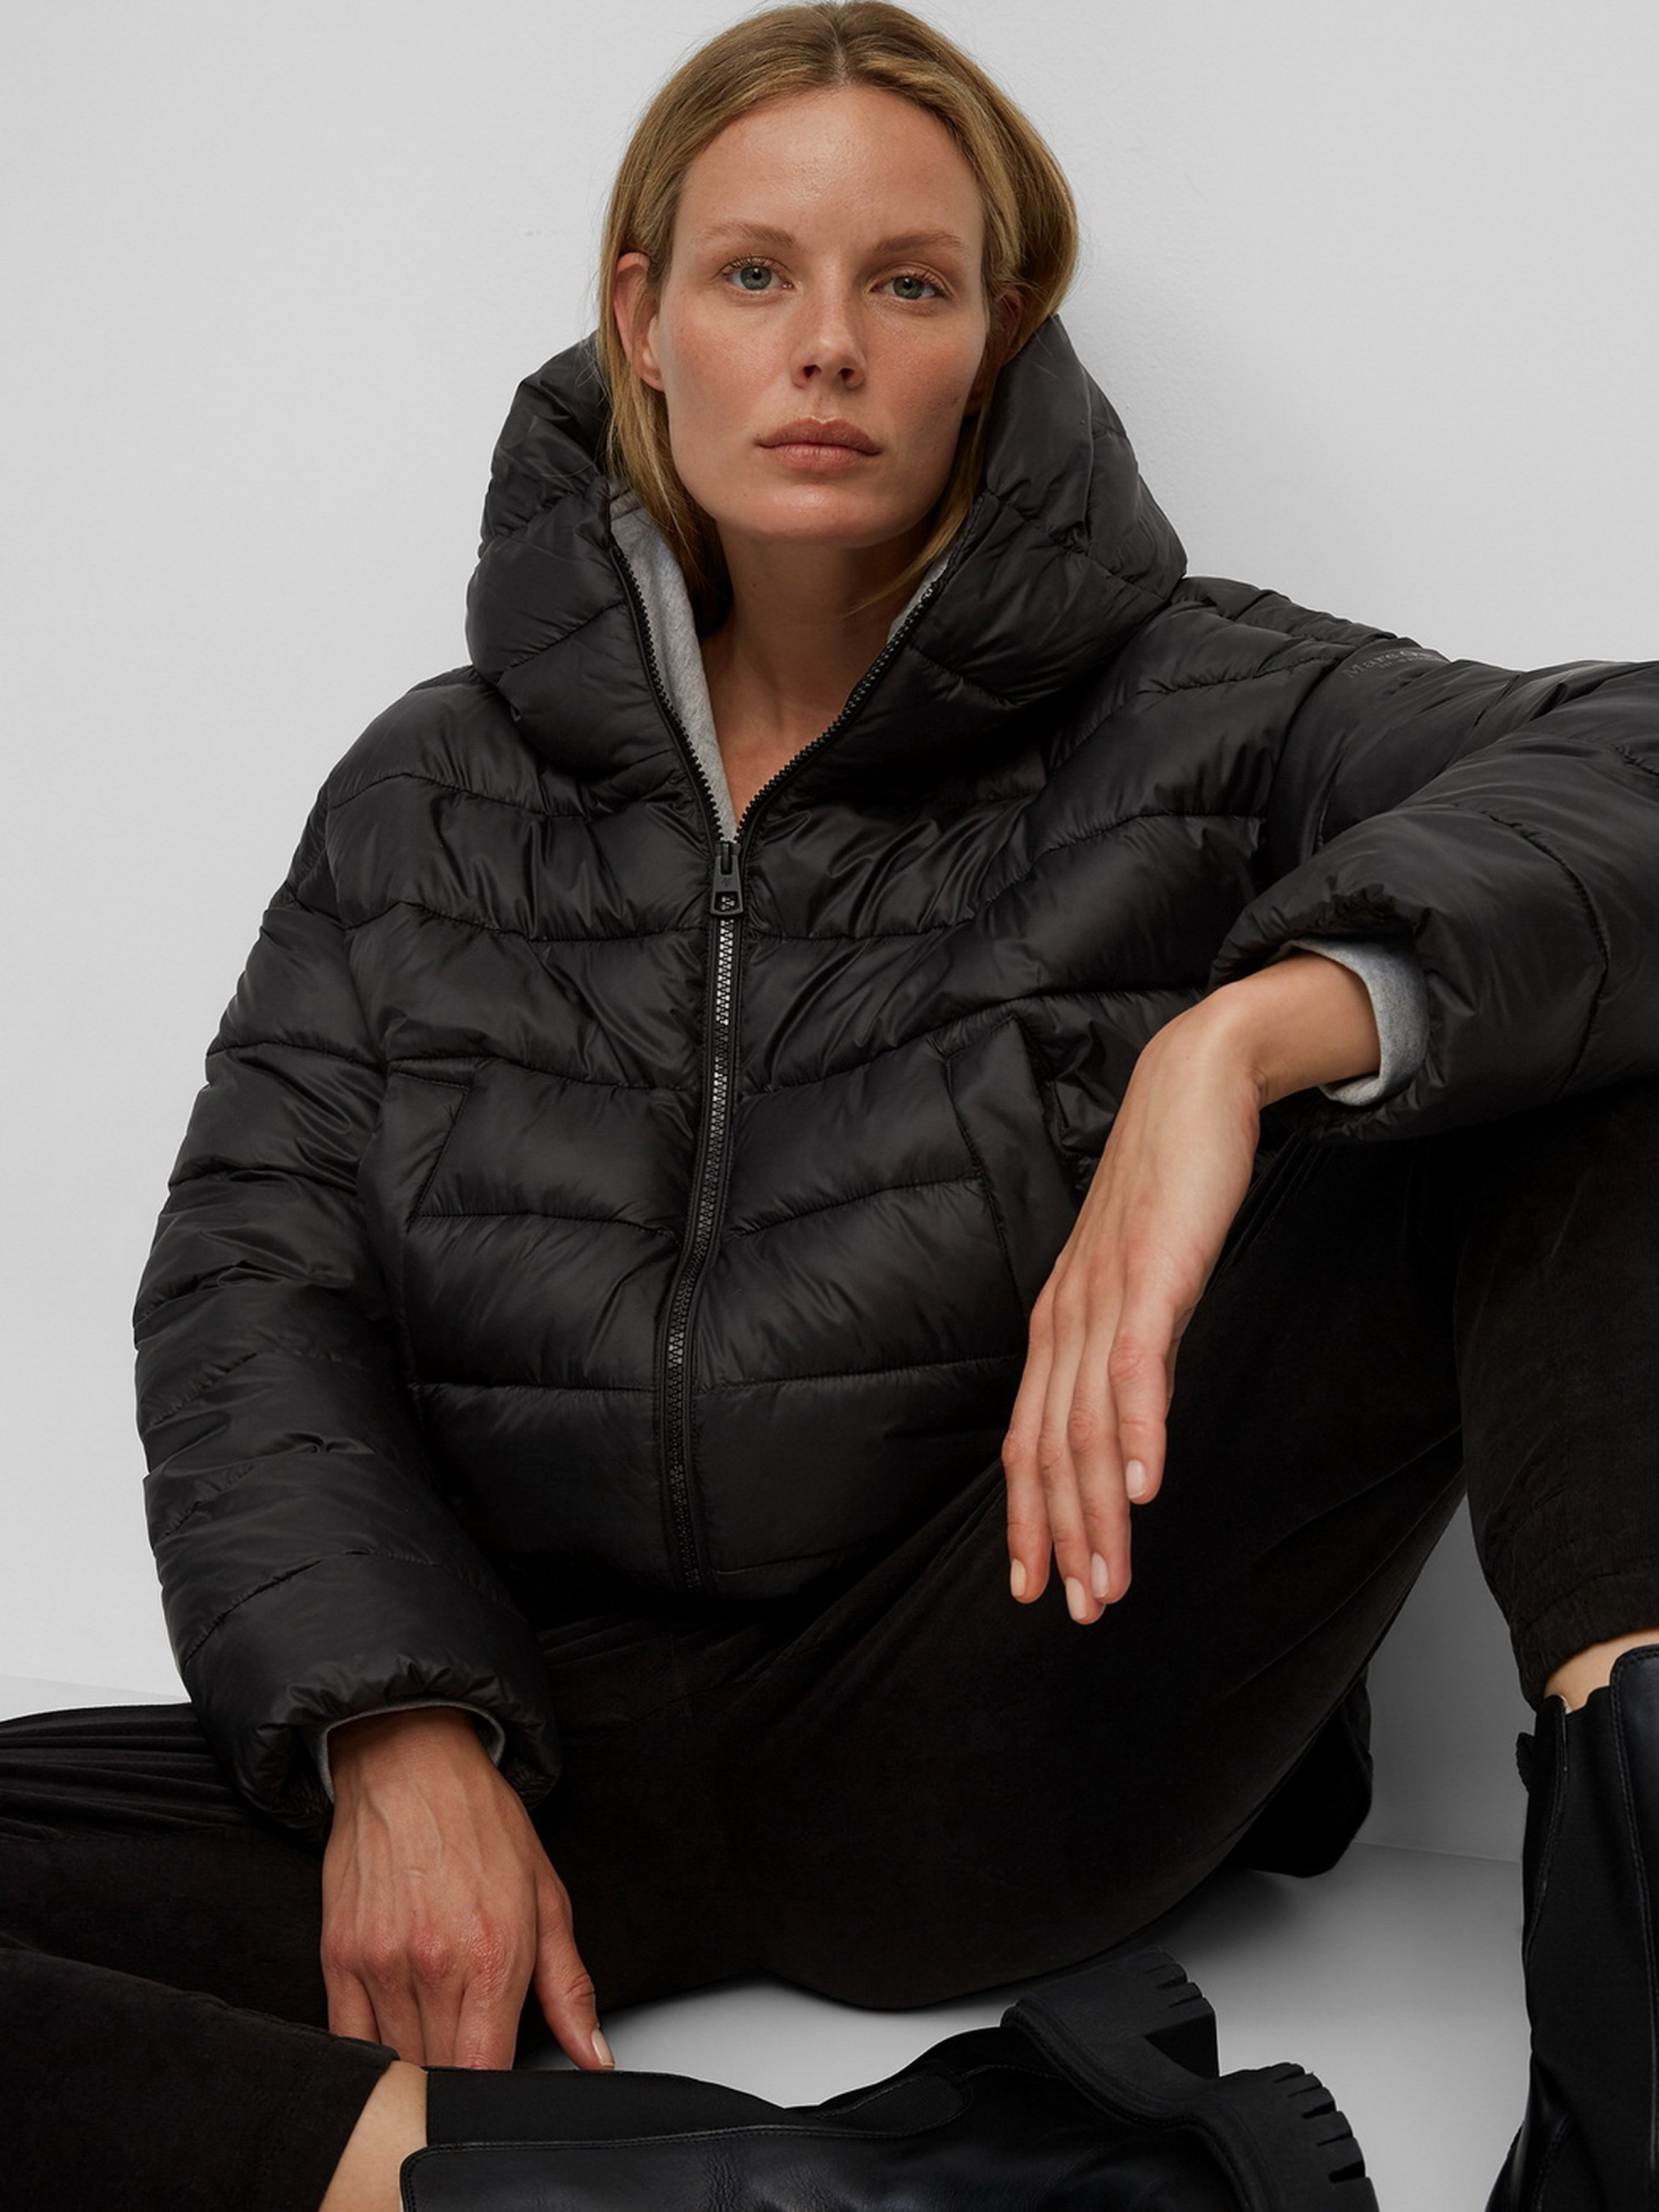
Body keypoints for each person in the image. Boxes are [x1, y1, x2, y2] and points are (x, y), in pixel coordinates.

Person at [3, 2, 1657, 2206]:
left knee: (1559, 1014)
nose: (828, 348)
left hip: (1023, 1688)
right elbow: (251, 1290)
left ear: (999, 335)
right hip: (550, 1737)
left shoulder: (1208, 705)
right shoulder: (428, 789)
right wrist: (394, 1728)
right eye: (755, 272)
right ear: (642, 317)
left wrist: (1245, 1037)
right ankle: (780, 2189)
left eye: (910, 282)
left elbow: (1632, 763)